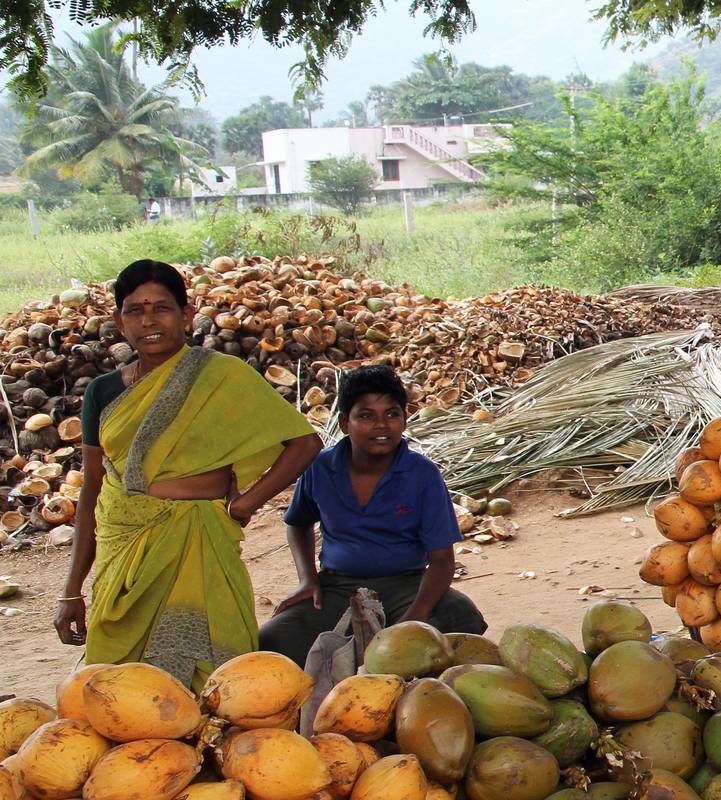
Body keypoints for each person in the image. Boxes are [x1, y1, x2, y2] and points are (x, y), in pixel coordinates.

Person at [55, 260, 322, 687]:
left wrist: (242, 505)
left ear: (185, 312)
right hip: (123, 550)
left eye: (161, 308)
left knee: (218, 685)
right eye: (134, 310)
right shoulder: (102, 392)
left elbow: (304, 444)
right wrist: (72, 591)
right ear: (119, 320)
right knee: (118, 690)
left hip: (201, 543)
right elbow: (92, 490)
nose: (148, 321)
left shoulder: (221, 377)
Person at [257, 365, 486, 666]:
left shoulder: (422, 475)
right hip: (337, 588)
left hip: (405, 585)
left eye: (392, 414)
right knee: (275, 636)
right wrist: (307, 580)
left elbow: (442, 560)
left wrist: (412, 621)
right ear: (343, 423)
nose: (382, 425)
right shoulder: (321, 468)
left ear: (405, 419)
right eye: (366, 416)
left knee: (460, 613)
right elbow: (298, 523)